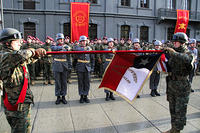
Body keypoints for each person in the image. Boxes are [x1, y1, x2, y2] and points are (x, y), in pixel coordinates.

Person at [0, 28, 46, 133]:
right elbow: (22, 55)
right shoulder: (5, 56)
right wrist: (33, 51)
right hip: (16, 105)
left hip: (20, 103)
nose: (20, 44)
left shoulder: (13, 56)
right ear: (7, 43)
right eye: (17, 42)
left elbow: (26, 60)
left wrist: (37, 55)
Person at [163, 32, 194, 133]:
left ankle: (177, 130)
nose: (174, 43)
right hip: (172, 84)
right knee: (172, 109)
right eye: (174, 41)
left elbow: (188, 60)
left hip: (182, 86)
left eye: (176, 42)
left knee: (180, 111)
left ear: (182, 42)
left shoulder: (189, 53)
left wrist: (173, 53)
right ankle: (173, 129)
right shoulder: (172, 53)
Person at [51, 33, 71, 105]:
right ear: (57, 40)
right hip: (57, 65)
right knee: (58, 82)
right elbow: (53, 48)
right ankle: (58, 97)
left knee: (64, 82)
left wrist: (69, 66)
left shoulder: (67, 47)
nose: (61, 41)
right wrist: (62, 47)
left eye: (62, 39)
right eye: (60, 39)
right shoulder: (54, 45)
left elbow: (69, 57)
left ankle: (63, 96)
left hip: (64, 65)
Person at [75, 35, 91, 103]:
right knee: (80, 82)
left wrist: (92, 67)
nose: (83, 42)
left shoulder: (90, 48)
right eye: (81, 41)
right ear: (80, 42)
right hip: (80, 67)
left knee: (87, 82)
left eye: (84, 41)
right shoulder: (77, 48)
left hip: (87, 67)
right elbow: (76, 51)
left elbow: (92, 58)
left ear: (86, 41)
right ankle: (81, 96)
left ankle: (86, 95)